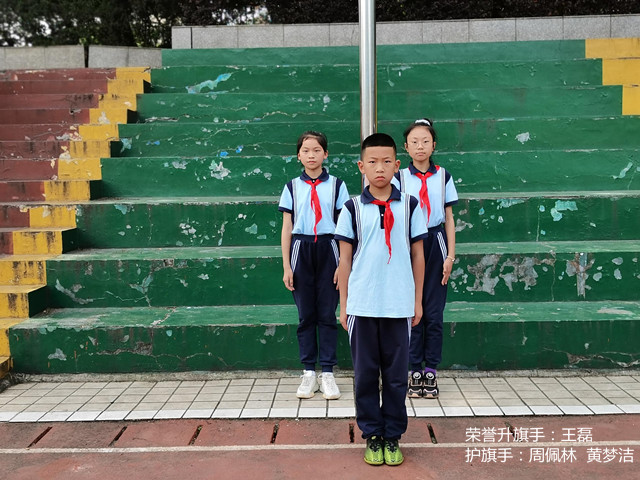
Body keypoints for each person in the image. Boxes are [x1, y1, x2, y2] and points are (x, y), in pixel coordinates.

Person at [335, 133, 427, 466]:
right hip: (362, 304)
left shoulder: (411, 206)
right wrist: (344, 305)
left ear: (397, 165)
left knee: (396, 377)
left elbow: (418, 255)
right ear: (361, 166)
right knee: (364, 375)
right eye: (372, 162)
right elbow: (345, 260)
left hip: (398, 304)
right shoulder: (351, 208)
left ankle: (393, 436)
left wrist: (417, 301)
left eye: (387, 161)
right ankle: (372, 435)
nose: (380, 168)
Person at [279, 130, 350, 400]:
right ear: (298, 155)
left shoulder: (337, 185)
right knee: (306, 314)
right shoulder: (291, 187)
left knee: (327, 313)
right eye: (306, 151)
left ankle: (328, 372)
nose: (311, 155)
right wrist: (287, 266)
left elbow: (344, 226)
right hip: (301, 248)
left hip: (330, 248)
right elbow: (287, 227)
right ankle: (309, 371)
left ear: (325, 154)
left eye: (317, 150)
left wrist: (343, 264)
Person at [393, 118, 458, 399]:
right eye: (414, 142)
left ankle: (430, 370)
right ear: (406, 147)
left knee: (433, 312)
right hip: (408, 243)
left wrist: (450, 256)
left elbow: (449, 218)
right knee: (411, 310)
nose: (420, 146)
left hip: (436, 241)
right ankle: (413, 370)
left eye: (425, 141)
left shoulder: (443, 176)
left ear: (434, 145)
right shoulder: (398, 178)